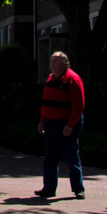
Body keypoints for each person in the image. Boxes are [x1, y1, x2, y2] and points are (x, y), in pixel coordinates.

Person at [36, 50, 85, 199]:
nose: (52, 65)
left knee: (71, 157)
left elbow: (79, 106)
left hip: (65, 125)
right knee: (50, 157)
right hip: (50, 125)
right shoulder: (50, 79)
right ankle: (49, 188)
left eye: (55, 62)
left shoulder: (73, 80)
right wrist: (42, 121)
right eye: (51, 62)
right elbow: (45, 102)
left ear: (65, 63)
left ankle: (78, 189)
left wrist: (70, 125)